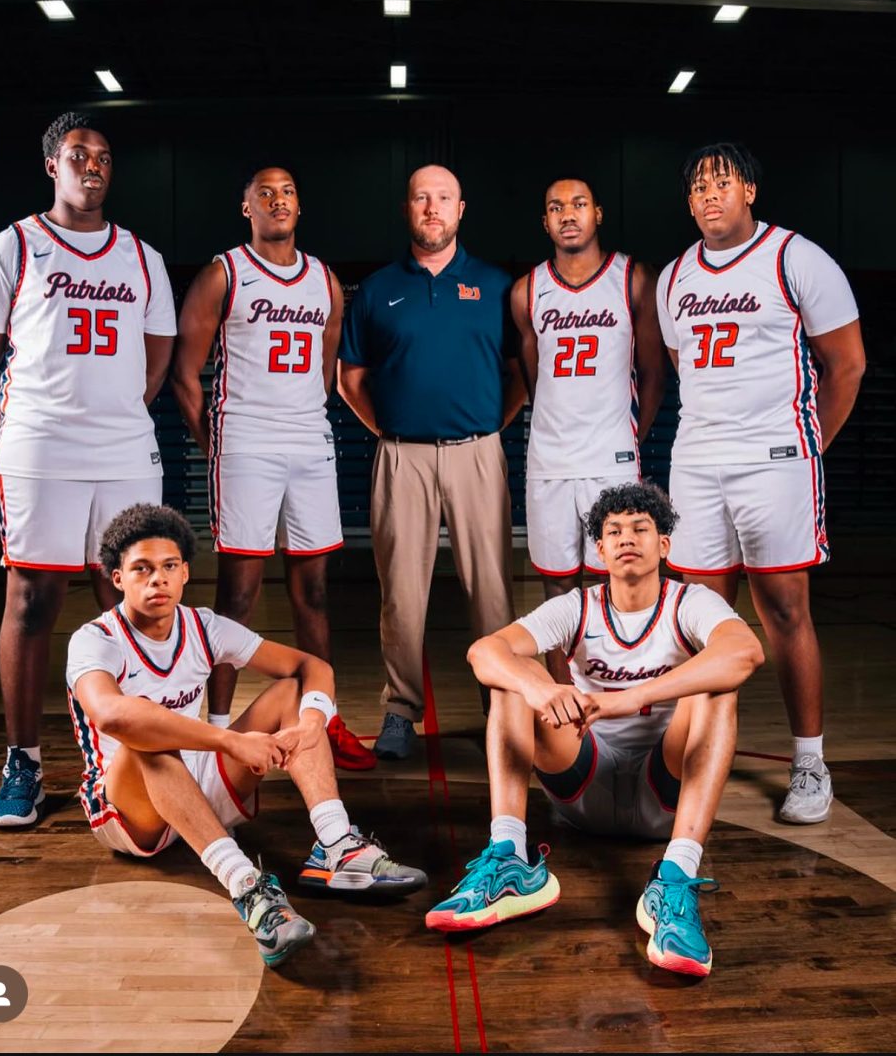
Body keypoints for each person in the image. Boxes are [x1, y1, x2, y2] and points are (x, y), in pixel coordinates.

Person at [425, 482, 764, 979]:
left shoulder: (690, 602)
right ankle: (510, 857)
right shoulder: (576, 606)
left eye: (641, 528)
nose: (627, 537)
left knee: (717, 685)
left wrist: (631, 697)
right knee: (511, 678)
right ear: (600, 550)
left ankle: (676, 875)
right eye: (614, 531)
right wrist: (540, 688)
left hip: (661, 795)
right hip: (584, 783)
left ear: (664, 545)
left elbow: (746, 653)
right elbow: (484, 652)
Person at [66, 503, 427, 969]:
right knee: (147, 738)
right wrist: (231, 742)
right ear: (117, 579)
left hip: (193, 784)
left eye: (169, 567)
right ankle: (247, 888)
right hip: (127, 808)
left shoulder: (202, 625)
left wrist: (312, 723)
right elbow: (113, 716)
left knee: (293, 692)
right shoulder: (95, 639)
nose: (157, 579)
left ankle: (336, 846)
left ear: (185, 573)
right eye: (142, 569)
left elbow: (311, 667)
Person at [0, 111, 176, 828]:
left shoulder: (142, 258)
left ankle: (127, 752)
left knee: (130, 601)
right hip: (38, 448)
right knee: (32, 601)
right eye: (79, 154)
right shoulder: (9, 248)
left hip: (121, 448)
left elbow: (155, 362)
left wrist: (110, 417)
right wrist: (25, 428)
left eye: (104, 157)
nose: (93, 166)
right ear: (52, 165)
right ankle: (21, 759)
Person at [657, 143, 865, 825]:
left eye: (720, 183)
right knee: (700, 621)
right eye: (696, 188)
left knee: (782, 612)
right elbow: (680, 369)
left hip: (774, 459)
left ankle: (809, 763)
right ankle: (699, 753)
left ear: (748, 189)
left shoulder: (796, 257)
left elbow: (847, 364)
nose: (707, 196)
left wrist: (806, 451)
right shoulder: (673, 276)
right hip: (696, 461)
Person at [171, 165, 373, 771]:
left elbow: (329, 369)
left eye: (287, 192)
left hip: (309, 441)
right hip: (247, 442)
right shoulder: (222, 273)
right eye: (265, 193)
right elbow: (185, 376)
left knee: (314, 591)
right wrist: (219, 446)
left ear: (299, 205)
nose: (278, 201)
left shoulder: (325, 280)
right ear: (247, 208)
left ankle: (323, 720)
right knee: (238, 594)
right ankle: (215, 729)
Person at [338, 164, 527, 759]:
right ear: (407, 209)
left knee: (492, 590)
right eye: (421, 198)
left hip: (476, 452)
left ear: (460, 209)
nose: (431, 208)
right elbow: (351, 377)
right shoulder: (376, 290)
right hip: (402, 458)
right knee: (401, 594)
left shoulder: (498, 287)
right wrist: (390, 432)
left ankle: (501, 699)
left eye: (443, 197)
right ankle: (400, 711)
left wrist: (489, 427)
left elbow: (520, 373)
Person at [510, 177, 665, 656]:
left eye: (579, 204)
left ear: (598, 213)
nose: (568, 214)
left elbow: (655, 372)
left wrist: (628, 435)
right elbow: (534, 379)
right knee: (557, 591)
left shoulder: (633, 277)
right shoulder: (527, 291)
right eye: (556, 206)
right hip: (550, 462)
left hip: (610, 459)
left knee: (618, 584)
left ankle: (617, 694)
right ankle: (566, 711)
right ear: (545, 221)